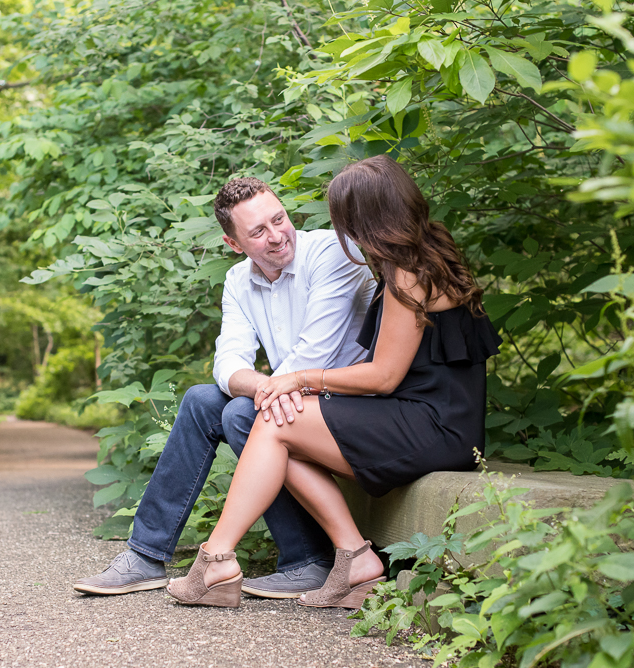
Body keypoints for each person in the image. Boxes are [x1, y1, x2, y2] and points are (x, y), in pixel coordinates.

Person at [166, 155, 503, 608]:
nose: (342, 230)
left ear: (367, 219)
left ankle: (217, 559)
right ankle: (355, 560)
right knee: (279, 424)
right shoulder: (418, 255)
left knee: (275, 421)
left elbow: (383, 377)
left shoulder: (408, 273)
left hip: (435, 425)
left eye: (345, 220)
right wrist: (291, 388)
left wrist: (299, 379)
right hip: (427, 416)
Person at [74, 177, 377, 598]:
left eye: (279, 219)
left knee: (240, 412)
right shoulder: (238, 280)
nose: (276, 237)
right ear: (233, 243)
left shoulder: (332, 254)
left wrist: (257, 392)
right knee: (202, 400)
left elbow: (314, 356)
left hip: (349, 400)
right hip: (289, 398)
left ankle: (308, 558)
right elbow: (229, 360)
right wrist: (258, 386)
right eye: (258, 232)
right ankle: (145, 556)